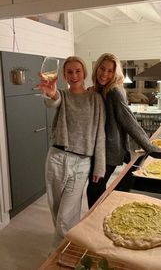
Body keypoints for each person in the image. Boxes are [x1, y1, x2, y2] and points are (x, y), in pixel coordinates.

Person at [37, 56, 106, 248]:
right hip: (56, 158)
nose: (74, 75)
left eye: (77, 71)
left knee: (67, 214)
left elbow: (99, 134)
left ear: (84, 73)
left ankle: (58, 255)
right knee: (57, 210)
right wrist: (50, 93)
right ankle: (67, 247)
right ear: (64, 75)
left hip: (81, 163)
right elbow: (53, 101)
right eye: (69, 72)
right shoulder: (61, 95)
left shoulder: (95, 99)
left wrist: (98, 167)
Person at [87, 53, 161, 208]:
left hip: (108, 151)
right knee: (97, 189)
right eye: (102, 68)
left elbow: (129, 122)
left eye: (110, 71)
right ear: (97, 68)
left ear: (115, 73)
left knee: (94, 190)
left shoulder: (113, 91)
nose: (105, 74)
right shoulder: (98, 90)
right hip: (100, 149)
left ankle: (95, 221)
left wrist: (151, 148)